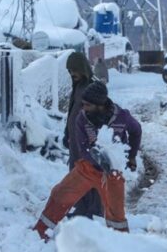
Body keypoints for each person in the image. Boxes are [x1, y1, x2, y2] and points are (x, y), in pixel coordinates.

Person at [34, 81, 142, 240]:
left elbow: (136, 130)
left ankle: (121, 244)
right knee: (59, 194)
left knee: (116, 214)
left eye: (87, 105)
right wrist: (98, 159)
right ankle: (40, 232)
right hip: (88, 168)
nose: (83, 108)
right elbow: (83, 149)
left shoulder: (121, 117)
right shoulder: (82, 119)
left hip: (113, 173)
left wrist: (131, 155)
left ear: (100, 105)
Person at [63, 52, 104, 219]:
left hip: (87, 141)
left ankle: (93, 211)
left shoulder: (92, 87)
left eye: (75, 70)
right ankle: (80, 208)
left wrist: (91, 138)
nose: (72, 74)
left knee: (90, 173)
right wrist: (67, 133)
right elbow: (73, 111)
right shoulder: (78, 86)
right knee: (76, 174)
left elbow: (99, 115)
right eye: (70, 71)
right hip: (75, 141)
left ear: (82, 69)